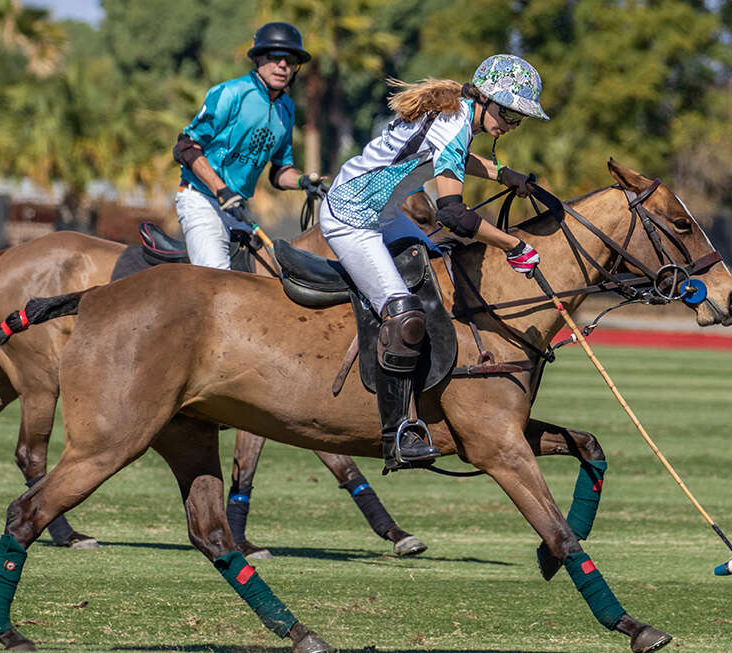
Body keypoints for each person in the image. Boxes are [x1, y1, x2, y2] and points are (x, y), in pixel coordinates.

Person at [320, 54, 549, 471]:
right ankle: (398, 434)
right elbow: (453, 215)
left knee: (439, 273)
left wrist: (503, 174)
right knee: (404, 314)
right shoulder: (452, 120)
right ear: (483, 98)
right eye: (509, 114)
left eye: (519, 120)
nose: (511, 125)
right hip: (351, 218)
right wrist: (512, 245)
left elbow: (455, 156)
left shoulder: (458, 116)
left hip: (384, 216)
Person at [172, 21, 327, 269]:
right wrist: (221, 190)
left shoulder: (286, 109)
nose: (283, 65)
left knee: (262, 281)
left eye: (290, 60)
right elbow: (186, 146)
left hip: (237, 210)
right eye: (275, 56)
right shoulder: (230, 93)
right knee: (218, 281)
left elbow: (280, 171)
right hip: (201, 199)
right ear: (257, 58)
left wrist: (304, 181)